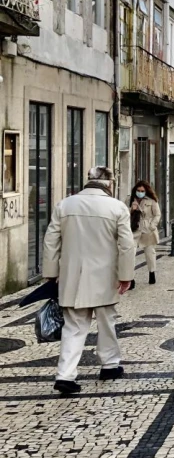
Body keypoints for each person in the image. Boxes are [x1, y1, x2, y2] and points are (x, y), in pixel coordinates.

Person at [42, 167, 136, 395]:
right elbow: (127, 245)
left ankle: (65, 375)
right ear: (109, 183)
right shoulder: (117, 207)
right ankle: (110, 365)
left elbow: (50, 242)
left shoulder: (65, 205)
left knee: (73, 327)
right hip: (105, 277)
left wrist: (51, 274)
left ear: (89, 181)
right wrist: (126, 277)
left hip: (72, 277)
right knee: (107, 322)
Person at [128, 181, 161, 289]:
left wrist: (152, 226)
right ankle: (131, 278)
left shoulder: (152, 201)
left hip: (147, 230)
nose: (140, 193)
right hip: (133, 229)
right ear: (135, 190)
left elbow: (157, 215)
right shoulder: (129, 200)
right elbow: (122, 214)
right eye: (138, 191)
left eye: (142, 191)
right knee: (130, 254)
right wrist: (131, 209)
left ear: (146, 191)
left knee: (150, 253)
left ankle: (152, 273)